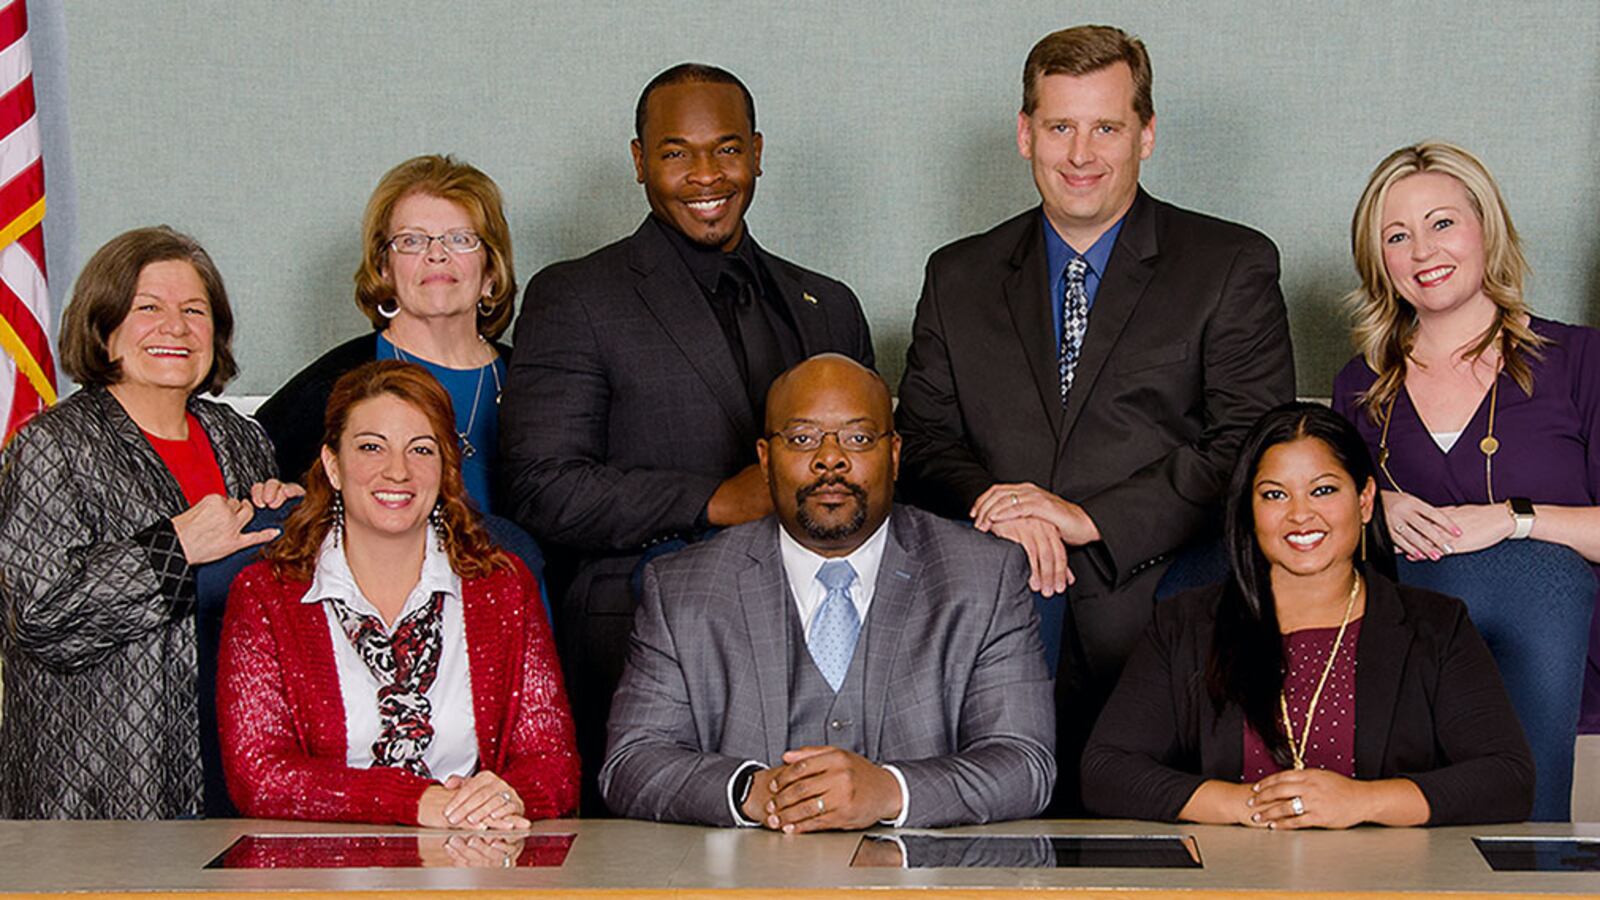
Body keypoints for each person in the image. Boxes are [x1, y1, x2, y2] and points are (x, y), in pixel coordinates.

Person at [893, 24, 1295, 812]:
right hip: (996, 611)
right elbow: (926, 437)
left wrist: (1085, 518)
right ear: (1024, 134)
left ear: (1146, 135)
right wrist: (1005, 506)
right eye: (1059, 127)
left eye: (1106, 127)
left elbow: (1252, 445)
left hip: (1165, 602)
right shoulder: (958, 274)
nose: (1081, 153)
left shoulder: (1229, 264)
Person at [501, 63, 874, 813]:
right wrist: (711, 502)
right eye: (676, 153)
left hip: (822, 616)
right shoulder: (576, 295)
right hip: (647, 614)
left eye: (727, 149)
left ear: (759, 153)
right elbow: (542, 485)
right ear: (639, 161)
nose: (706, 174)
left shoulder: (827, 304)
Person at [600, 354, 1054, 829]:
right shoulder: (682, 587)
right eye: (802, 438)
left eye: (858, 438)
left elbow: (1026, 764)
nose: (830, 459)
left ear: (895, 455)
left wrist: (892, 791)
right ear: (764, 459)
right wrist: (750, 790)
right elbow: (631, 763)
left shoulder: (984, 574)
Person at [1081, 402, 1534, 827]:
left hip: (1385, 883)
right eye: (1275, 494)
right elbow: (1106, 772)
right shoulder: (1184, 623)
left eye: (1323, 490)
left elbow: (1507, 780)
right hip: (1231, 879)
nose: (1300, 515)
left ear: (1364, 499)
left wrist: (1361, 802)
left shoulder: (1435, 626)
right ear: (1249, 510)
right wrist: (1246, 805)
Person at [1331, 140, 1600, 820]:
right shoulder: (1359, 389)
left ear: (1487, 228)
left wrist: (1516, 518)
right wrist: (1372, 508)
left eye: (1443, 223)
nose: (1423, 252)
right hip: (1416, 716)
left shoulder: (1580, 360)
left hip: (1576, 707)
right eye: (1398, 235)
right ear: (1378, 260)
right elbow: (1319, 544)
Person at [0, 226, 296, 819]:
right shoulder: (51, 445)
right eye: (148, 308)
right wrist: (173, 548)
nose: (177, 327)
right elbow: (38, 619)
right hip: (101, 785)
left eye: (194, 310)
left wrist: (291, 519)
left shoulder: (242, 441)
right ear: (104, 326)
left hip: (234, 762)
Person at [219, 361, 578, 826]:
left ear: (446, 466)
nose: (398, 471)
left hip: (476, 872)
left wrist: (510, 794)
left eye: (421, 450)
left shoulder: (503, 586)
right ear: (332, 464)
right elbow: (260, 777)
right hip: (321, 880)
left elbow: (555, 766)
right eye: (371, 447)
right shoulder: (267, 594)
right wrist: (413, 801)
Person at [255, 154, 516, 513]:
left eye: (460, 239)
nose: (436, 254)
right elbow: (253, 484)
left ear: (491, 269)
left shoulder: (532, 377)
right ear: (384, 269)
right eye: (411, 241)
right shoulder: (335, 382)